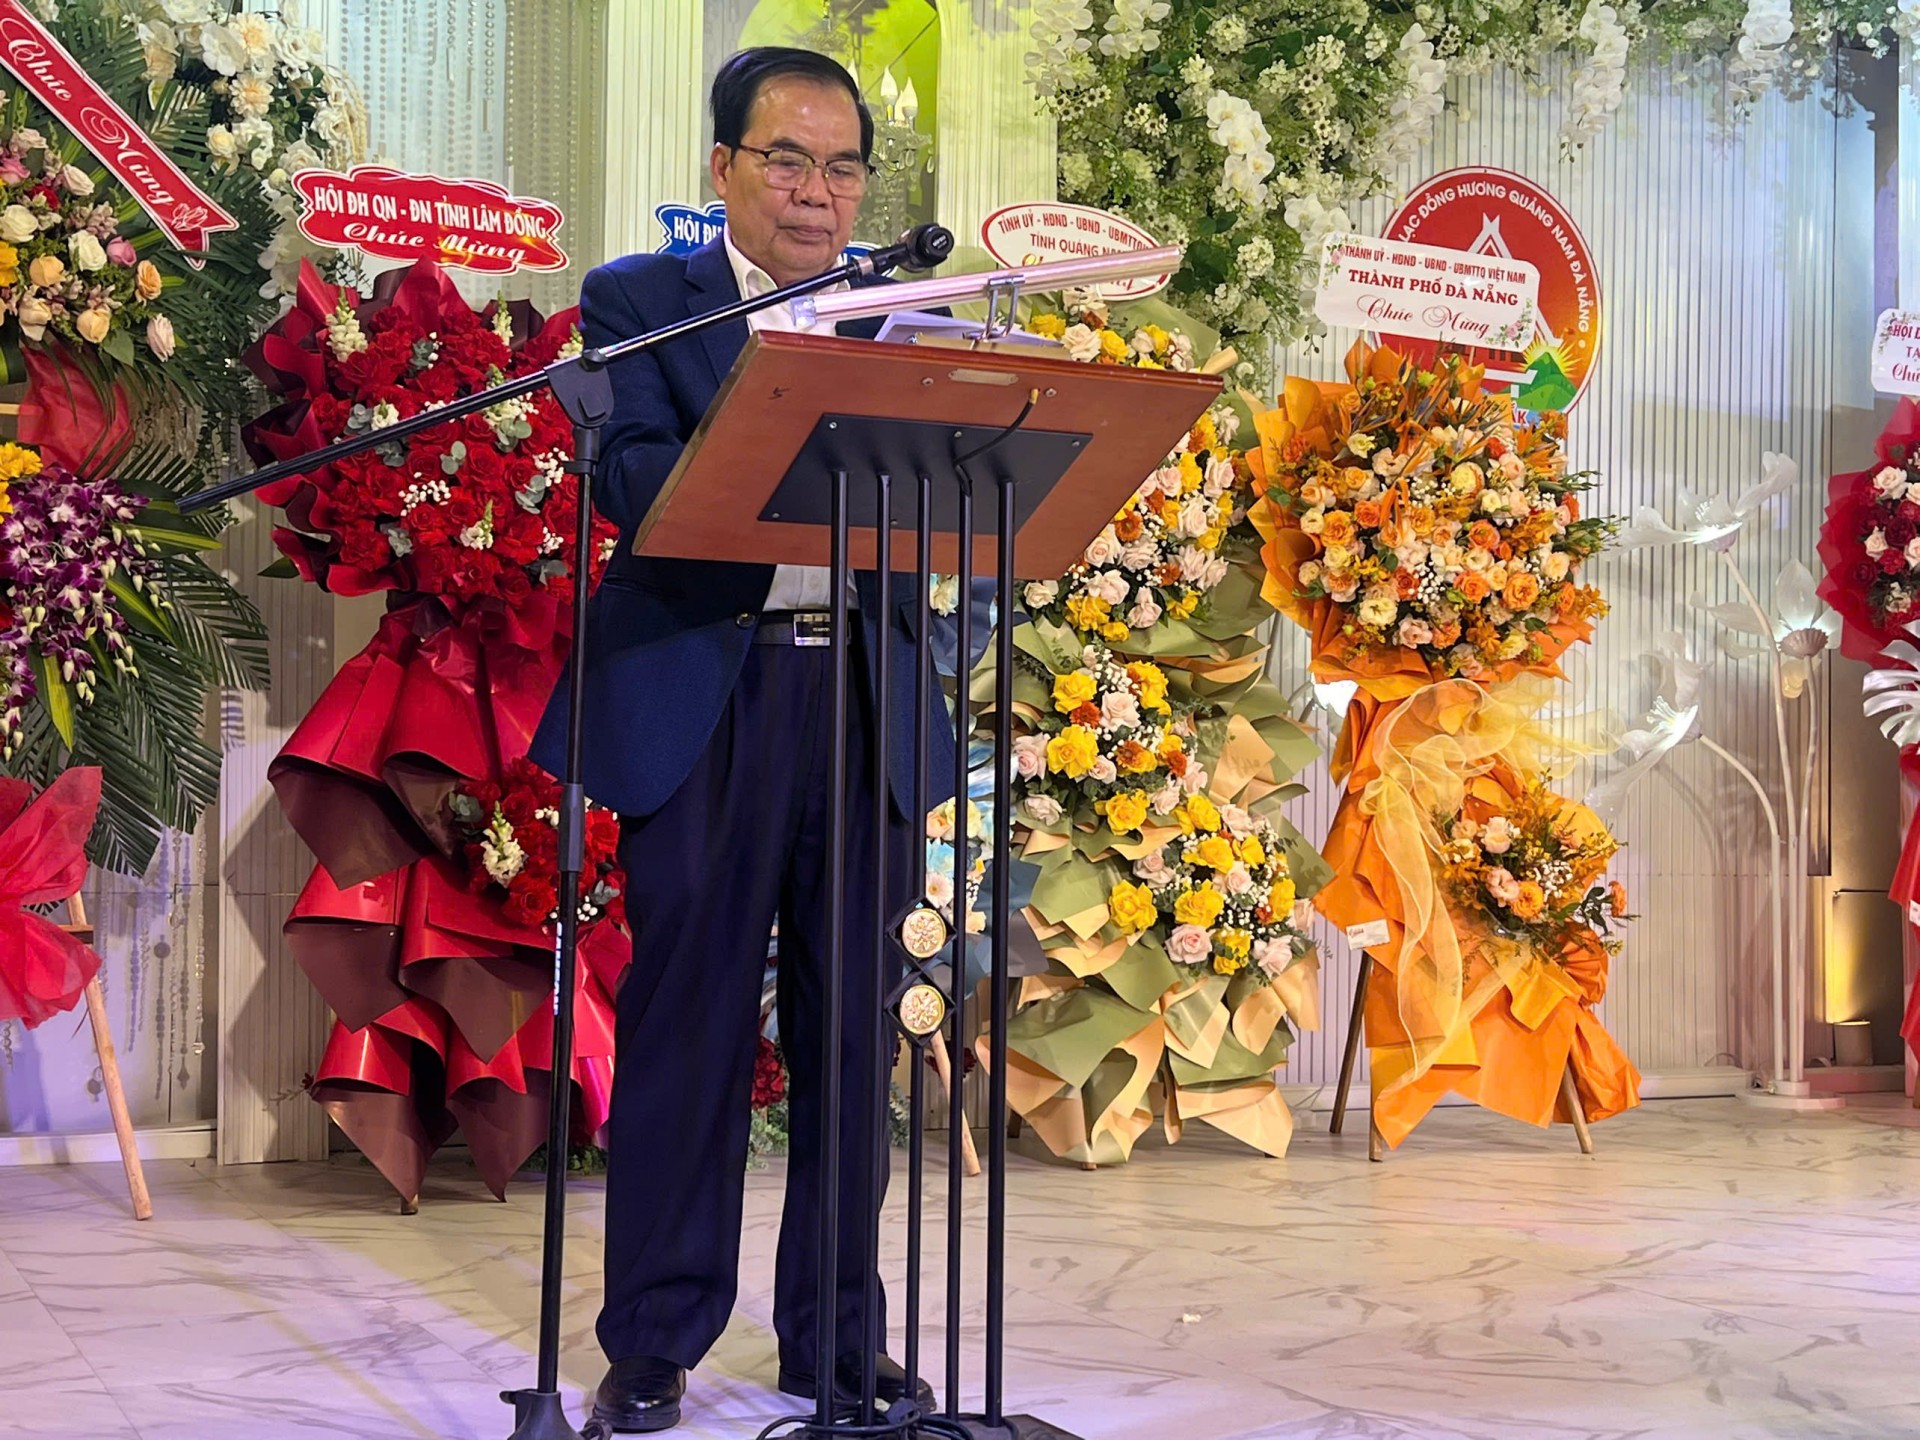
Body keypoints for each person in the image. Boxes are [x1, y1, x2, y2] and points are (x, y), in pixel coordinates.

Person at [532, 46, 952, 1435]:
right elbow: (631, 477)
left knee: (854, 1041)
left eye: (843, 167)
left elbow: (953, 494)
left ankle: (838, 1340)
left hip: (863, 701)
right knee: (690, 1031)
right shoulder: (641, 303)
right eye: (787, 159)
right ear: (722, 169)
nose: (818, 192)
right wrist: (785, 433)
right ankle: (655, 1340)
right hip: (712, 696)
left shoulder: (903, 320)